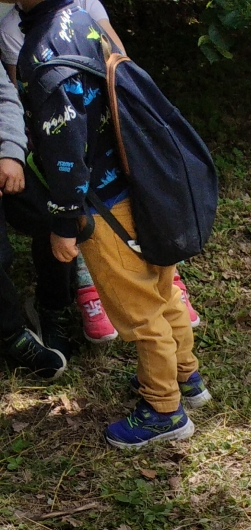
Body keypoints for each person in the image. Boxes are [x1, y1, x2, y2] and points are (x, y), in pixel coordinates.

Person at [13, 0, 209, 445]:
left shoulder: (44, 55)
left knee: (138, 313)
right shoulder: (80, 19)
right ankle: (187, 376)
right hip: (138, 183)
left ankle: (164, 410)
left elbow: (65, 154)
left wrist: (65, 224)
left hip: (103, 206)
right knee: (162, 289)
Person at [0, 63, 70, 375]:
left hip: (4, 157)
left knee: (54, 214)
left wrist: (11, 153)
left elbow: (5, 98)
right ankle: (11, 334)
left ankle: (52, 307)